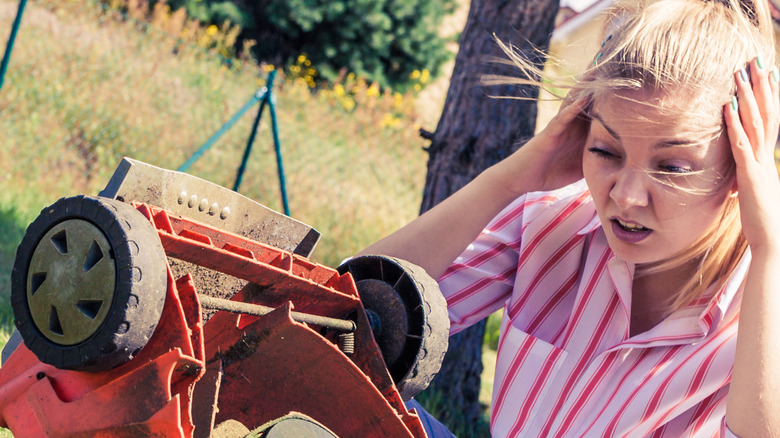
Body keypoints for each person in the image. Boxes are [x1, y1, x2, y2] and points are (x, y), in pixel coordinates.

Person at [359, 0, 780, 436]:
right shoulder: (550, 219)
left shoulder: (765, 297)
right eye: (606, 151)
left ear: (741, 170)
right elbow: (341, 316)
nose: (626, 196)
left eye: (672, 167)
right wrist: (506, 180)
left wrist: (769, 251)